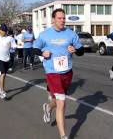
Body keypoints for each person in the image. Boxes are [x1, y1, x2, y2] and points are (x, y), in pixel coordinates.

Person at [33, 8, 84, 139]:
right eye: (59, 18)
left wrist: (75, 50)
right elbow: (35, 48)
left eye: (63, 18)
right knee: (62, 103)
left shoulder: (71, 34)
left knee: (57, 101)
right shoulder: (45, 35)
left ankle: (48, 107)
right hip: (52, 72)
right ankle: (63, 136)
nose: (62, 20)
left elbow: (81, 50)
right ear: (53, 19)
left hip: (67, 72)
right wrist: (42, 53)